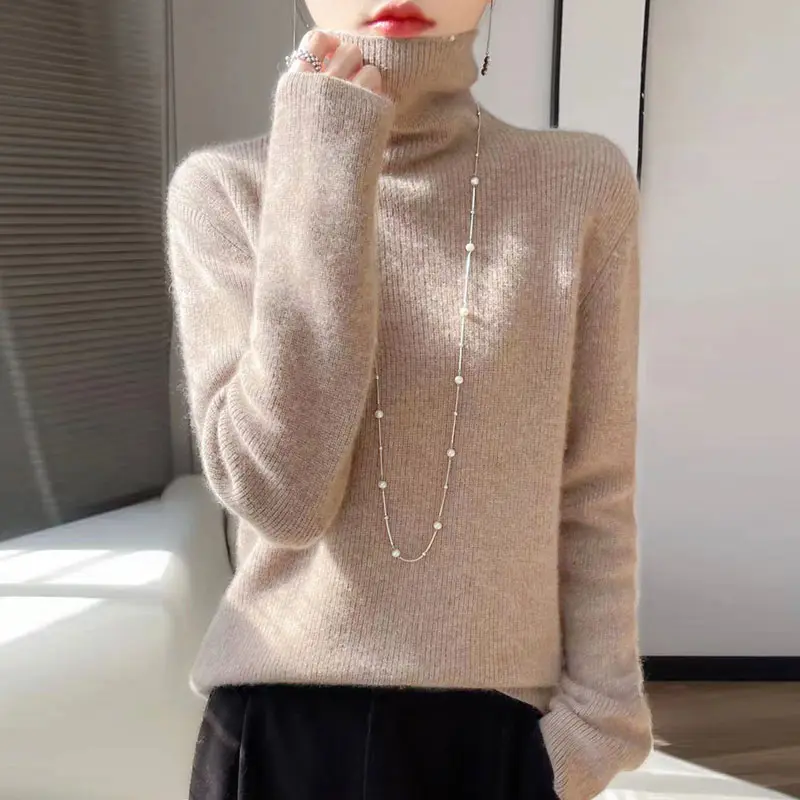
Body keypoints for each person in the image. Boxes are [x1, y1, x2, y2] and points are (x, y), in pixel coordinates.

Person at [166, 0, 653, 796]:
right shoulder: (225, 191)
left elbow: (595, 482)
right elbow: (283, 498)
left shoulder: (581, 186)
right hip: (279, 737)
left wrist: (598, 726)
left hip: (496, 739)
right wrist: (326, 154)